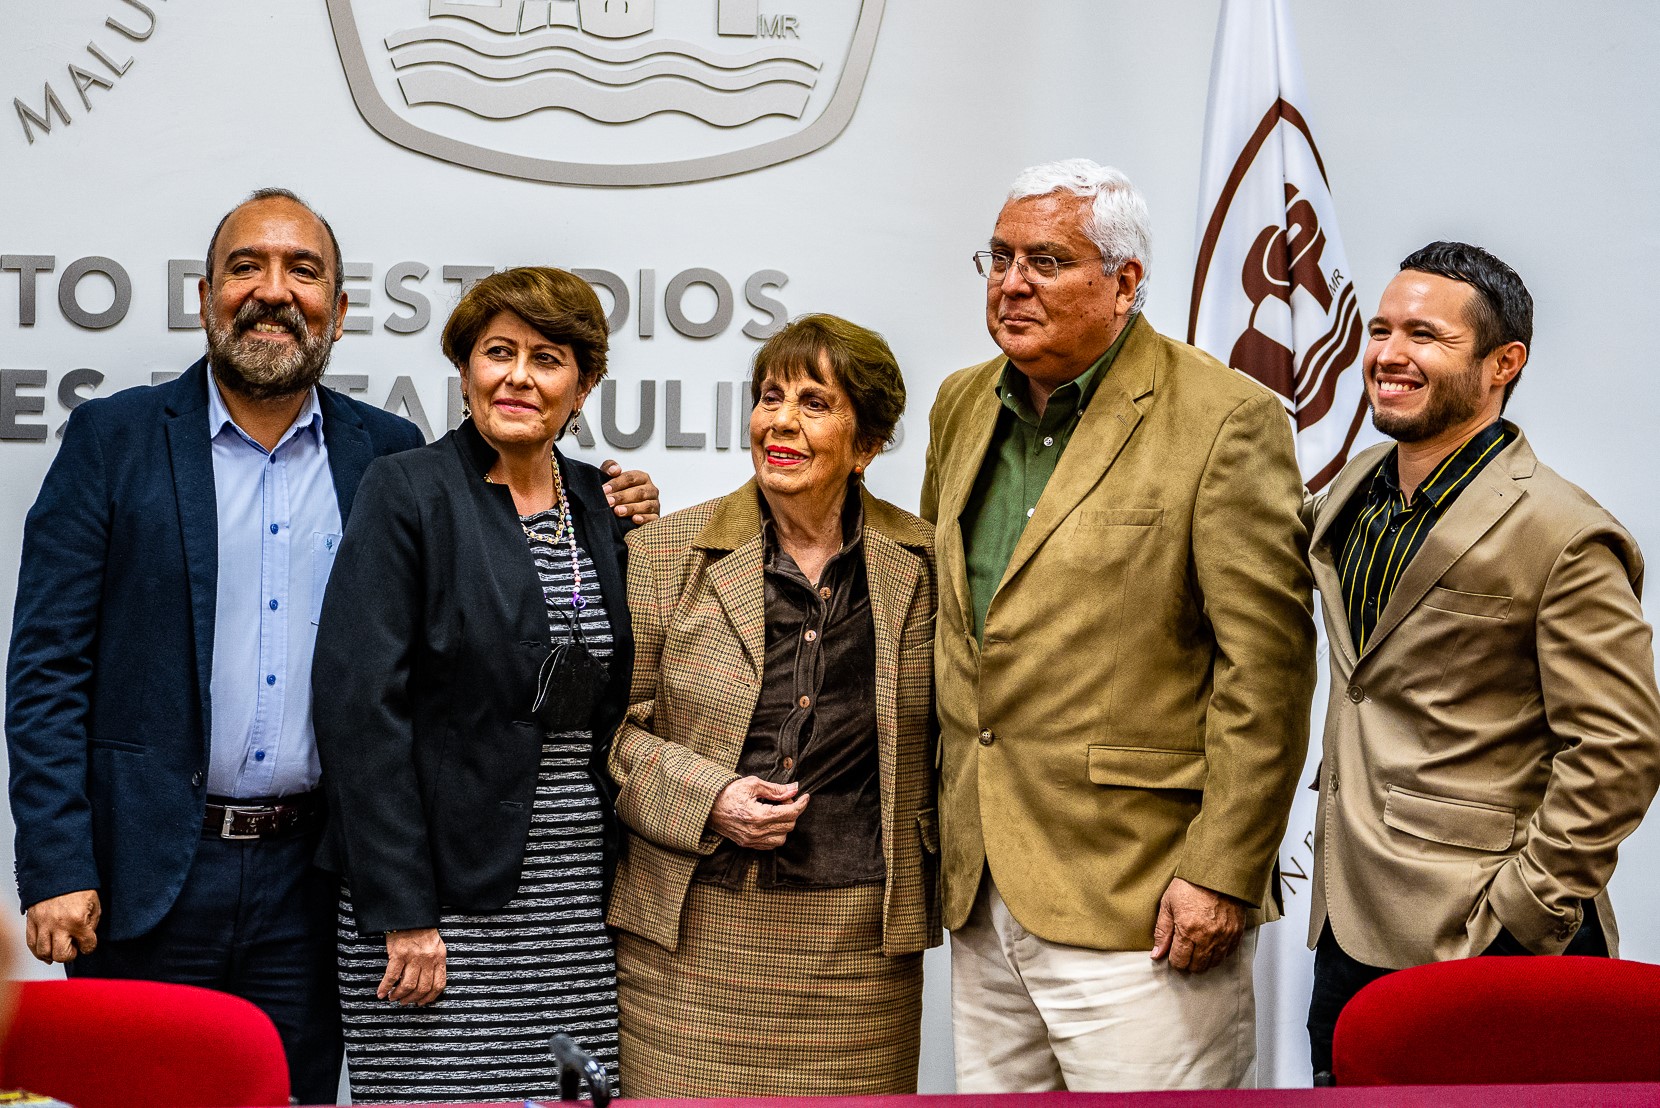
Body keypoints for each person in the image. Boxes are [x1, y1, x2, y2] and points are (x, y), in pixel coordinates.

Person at [4, 191, 658, 1105]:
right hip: (148, 872)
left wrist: (620, 503)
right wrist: (57, 863)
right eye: (247, 267)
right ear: (204, 296)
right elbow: (47, 669)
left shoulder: (382, 453)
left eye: (303, 272)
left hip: (311, 877)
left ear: (340, 312)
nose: (274, 291)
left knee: (296, 1095)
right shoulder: (114, 441)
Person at [921, 159, 1316, 1091]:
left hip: (1148, 900)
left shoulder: (1225, 419)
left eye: (1047, 261)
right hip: (983, 892)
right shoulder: (962, 403)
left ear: (1125, 281)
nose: (1012, 283)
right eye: (1000, 258)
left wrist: (1221, 871)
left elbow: (1267, 671)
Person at [1303, 241, 1660, 1078]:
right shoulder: (1354, 493)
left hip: (1488, 941)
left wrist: (1522, 918)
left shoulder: (1565, 532)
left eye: (1425, 335)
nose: (1389, 355)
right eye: (1381, 330)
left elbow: (1620, 750)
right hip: (1346, 931)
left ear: (1505, 363)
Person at [312, 267, 639, 1103]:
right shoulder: (406, 491)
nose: (518, 377)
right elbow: (360, 713)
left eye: (547, 359)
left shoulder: (601, 506)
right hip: (436, 909)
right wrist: (404, 912)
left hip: (573, 908)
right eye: (498, 353)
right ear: (464, 370)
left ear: (583, 386)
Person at [608, 314, 938, 1096]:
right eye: (770, 397)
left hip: (860, 951)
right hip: (688, 946)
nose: (781, 422)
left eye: (814, 403)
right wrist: (710, 797)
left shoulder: (928, 564)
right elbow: (613, 734)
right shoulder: (662, 552)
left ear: (868, 444)